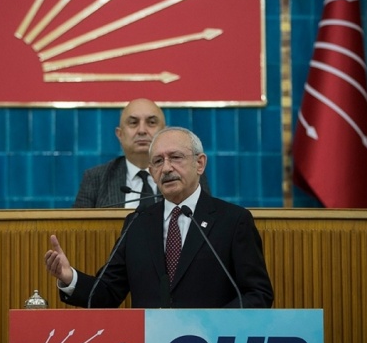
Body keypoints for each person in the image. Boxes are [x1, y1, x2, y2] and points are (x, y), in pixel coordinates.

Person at [46, 127, 273, 308]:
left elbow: (258, 294)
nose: (166, 168)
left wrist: (213, 323)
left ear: (200, 163)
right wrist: (69, 277)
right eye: (157, 161)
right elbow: (106, 294)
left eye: (175, 157)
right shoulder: (137, 222)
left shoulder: (232, 220)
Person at [73, 98, 209, 208]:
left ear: (164, 132)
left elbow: (207, 221)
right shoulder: (96, 178)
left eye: (151, 122)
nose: (142, 130)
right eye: (133, 123)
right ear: (120, 134)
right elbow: (79, 229)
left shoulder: (188, 173)